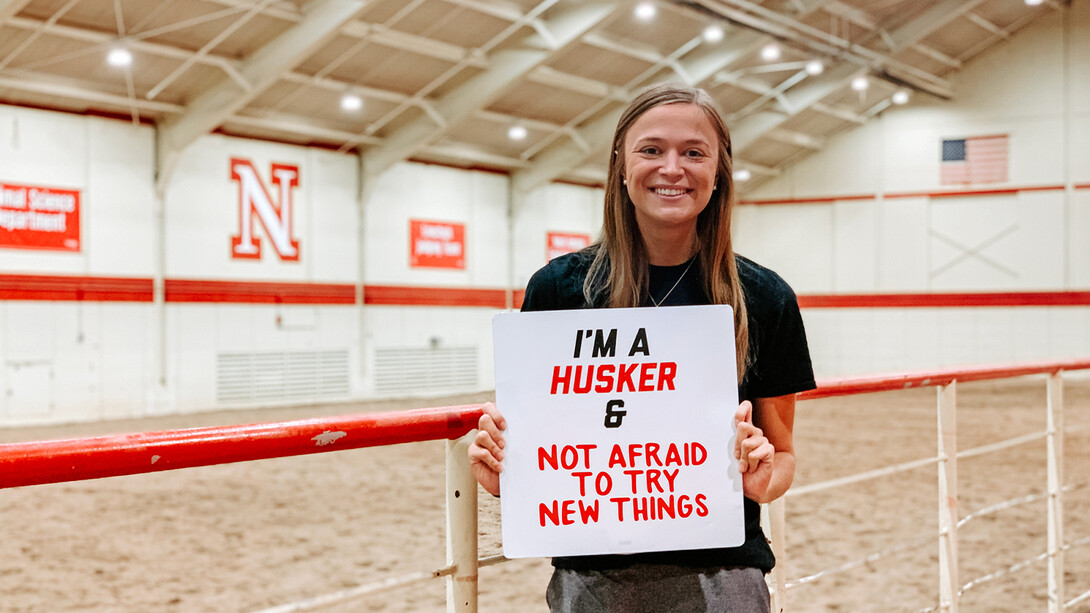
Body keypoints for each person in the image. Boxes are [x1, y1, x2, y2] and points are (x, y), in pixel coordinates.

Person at [469, 83, 816, 612]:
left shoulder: (764, 298)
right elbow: (543, 458)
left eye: (694, 153)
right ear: (621, 166)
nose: (672, 168)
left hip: (723, 576)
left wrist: (763, 477)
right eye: (651, 150)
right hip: (591, 582)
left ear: (719, 170)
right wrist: (505, 470)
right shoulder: (559, 289)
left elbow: (783, 459)